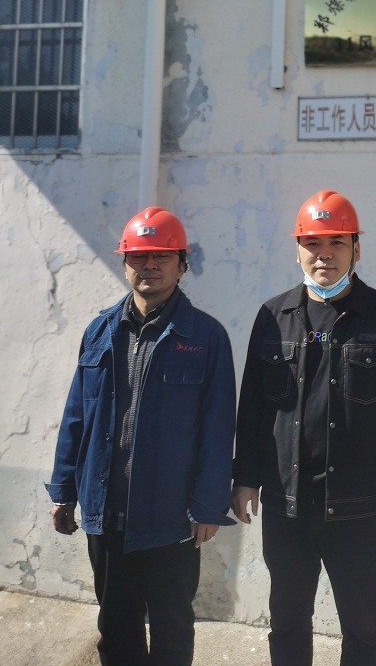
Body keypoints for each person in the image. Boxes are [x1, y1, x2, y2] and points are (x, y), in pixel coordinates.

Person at [232, 189, 376, 666]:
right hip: (287, 504)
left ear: (356, 249)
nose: (324, 255)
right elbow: (253, 406)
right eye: (313, 243)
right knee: (287, 622)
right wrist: (245, 478)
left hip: (358, 506)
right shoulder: (273, 317)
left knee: (363, 626)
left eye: (337, 243)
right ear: (298, 250)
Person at [46, 206, 236, 666]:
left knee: (173, 629)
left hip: (172, 518)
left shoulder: (206, 337)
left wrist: (208, 505)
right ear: (125, 263)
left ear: (182, 265)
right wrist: (64, 490)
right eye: (138, 256)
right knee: (116, 629)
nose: (149, 265)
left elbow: (218, 428)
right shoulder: (99, 331)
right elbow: (76, 416)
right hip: (106, 512)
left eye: (161, 256)